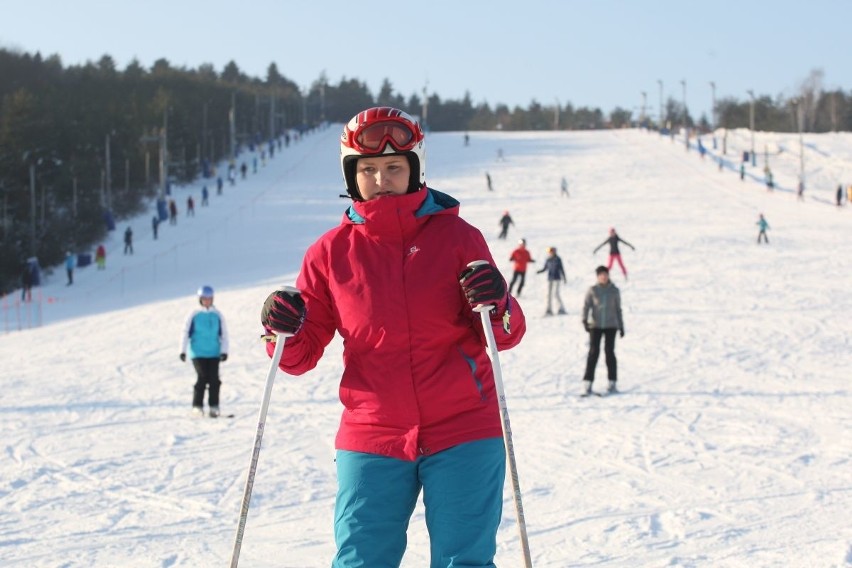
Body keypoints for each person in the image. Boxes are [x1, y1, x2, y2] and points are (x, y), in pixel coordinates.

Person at [259, 106, 526, 568]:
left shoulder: (459, 238)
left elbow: (502, 334)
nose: (381, 179)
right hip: (373, 432)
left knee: (464, 562)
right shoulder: (330, 253)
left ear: (415, 169)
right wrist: (282, 329)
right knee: (363, 560)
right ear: (351, 174)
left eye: (393, 168)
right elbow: (299, 357)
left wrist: (497, 301)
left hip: (463, 425)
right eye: (368, 170)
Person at [179, 285, 229, 417]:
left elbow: (224, 334)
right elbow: (185, 333)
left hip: (214, 352)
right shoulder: (194, 315)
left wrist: (224, 351)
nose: (207, 301)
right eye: (204, 298)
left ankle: (214, 407)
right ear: (200, 299)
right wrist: (182, 351)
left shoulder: (217, 315)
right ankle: (197, 406)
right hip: (198, 352)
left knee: (214, 379)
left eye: (209, 298)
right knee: (202, 377)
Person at [581, 266, 624, 396]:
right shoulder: (593, 290)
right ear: (598, 277)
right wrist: (584, 320)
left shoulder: (614, 290)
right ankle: (587, 383)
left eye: (605, 275)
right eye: (601, 275)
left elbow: (618, 309)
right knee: (593, 353)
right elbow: (586, 306)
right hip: (596, 325)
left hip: (611, 325)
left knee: (609, 353)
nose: (603, 277)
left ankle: (612, 382)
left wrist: (621, 326)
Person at [537, 246, 567, 315]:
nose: (550, 253)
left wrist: (564, 278)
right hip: (550, 278)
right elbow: (545, 268)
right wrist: (539, 271)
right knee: (548, 295)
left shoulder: (558, 259)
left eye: (551, 251)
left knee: (556, 294)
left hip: (557, 278)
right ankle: (549, 309)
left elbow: (561, 269)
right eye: (549, 252)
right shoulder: (548, 260)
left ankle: (561, 308)